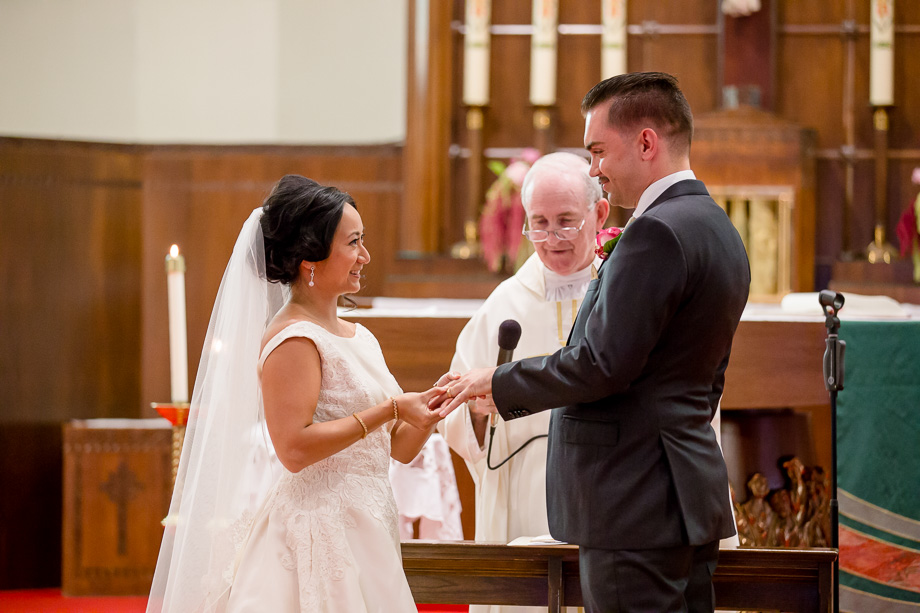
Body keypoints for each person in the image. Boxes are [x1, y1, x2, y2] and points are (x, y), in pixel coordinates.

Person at [434, 72, 751, 612]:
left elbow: (602, 365)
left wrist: (500, 381)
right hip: (682, 494)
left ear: (646, 142)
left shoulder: (655, 231)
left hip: (633, 503)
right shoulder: (715, 225)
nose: (596, 168)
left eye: (600, 150)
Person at [147, 175, 446, 613]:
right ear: (310, 258)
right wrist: (390, 409)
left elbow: (399, 448)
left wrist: (431, 410)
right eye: (353, 243)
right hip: (318, 532)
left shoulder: (360, 337)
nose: (365, 256)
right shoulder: (293, 339)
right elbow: (293, 448)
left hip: (370, 526)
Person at [439, 152, 607, 613]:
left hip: (608, 494)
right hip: (522, 492)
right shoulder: (504, 304)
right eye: (539, 223)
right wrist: (475, 416)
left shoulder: (623, 290)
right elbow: (454, 411)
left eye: (566, 222)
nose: (551, 239)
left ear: (600, 213)